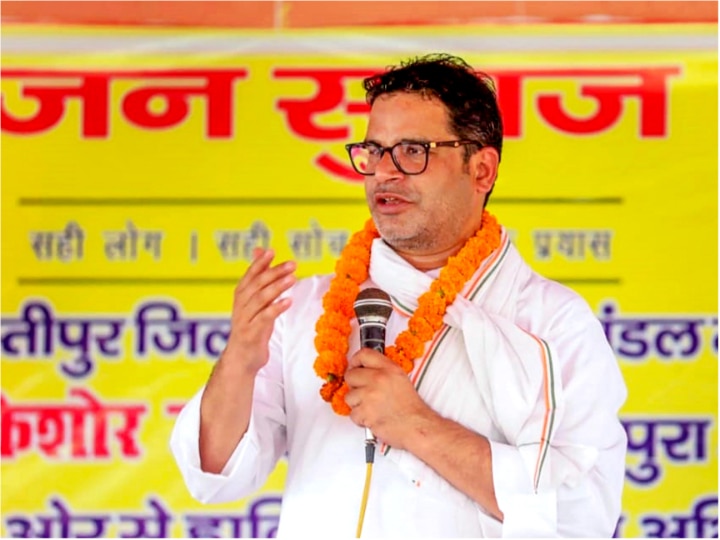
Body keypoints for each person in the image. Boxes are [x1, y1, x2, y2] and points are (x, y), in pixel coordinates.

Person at [170, 53, 627, 538]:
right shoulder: (306, 308)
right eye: (374, 150)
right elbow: (214, 475)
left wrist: (415, 425)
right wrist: (240, 355)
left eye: (413, 151)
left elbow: (581, 511)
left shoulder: (551, 323)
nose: (385, 172)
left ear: (482, 170)